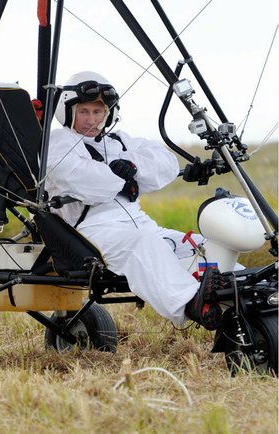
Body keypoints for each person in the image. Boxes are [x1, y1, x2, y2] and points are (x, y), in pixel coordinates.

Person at [45, 71, 224, 330]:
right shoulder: (58, 143)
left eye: (99, 112)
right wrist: (118, 175)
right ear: (68, 111)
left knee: (200, 245)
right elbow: (80, 180)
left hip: (141, 225)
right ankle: (194, 304)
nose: (92, 120)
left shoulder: (118, 141)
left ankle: (243, 296)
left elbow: (165, 163)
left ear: (110, 113)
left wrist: (131, 166)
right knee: (143, 245)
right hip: (94, 233)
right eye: (84, 111)